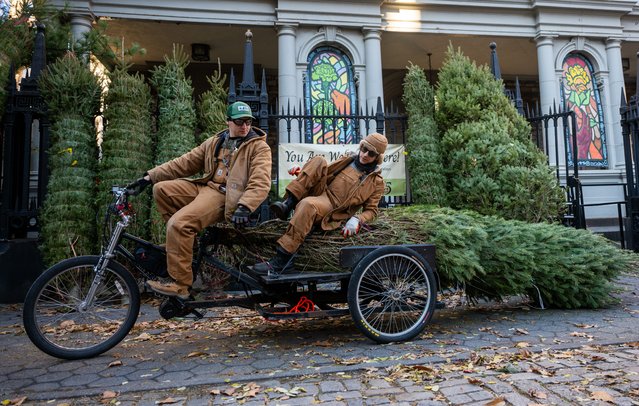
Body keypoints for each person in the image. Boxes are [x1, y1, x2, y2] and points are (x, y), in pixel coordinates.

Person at [127, 101, 272, 299]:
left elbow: (260, 181)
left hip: (224, 196)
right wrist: (149, 177)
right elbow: (184, 163)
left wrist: (245, 206)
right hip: (205, 187)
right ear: (228, 121)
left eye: (248, 121)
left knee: (179, 224)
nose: (244, 126)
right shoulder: (216, 141)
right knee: (161, 189)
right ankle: (188, 245)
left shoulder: (258, 147)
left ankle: (181, 285)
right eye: (239, 122)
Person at [252, 132, 388, 276]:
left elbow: (372, 211)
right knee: (319, 160)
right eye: (364, 148)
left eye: (371, 153)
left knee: (308, 205)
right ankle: (287, 204)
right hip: (322, 191)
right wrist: (302, 172)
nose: (365, 154)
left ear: (377, 157)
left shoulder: (376, 182)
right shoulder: (348, 160)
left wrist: (357, 219)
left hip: (332, 207)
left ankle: (282, 260)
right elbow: (323, 172)